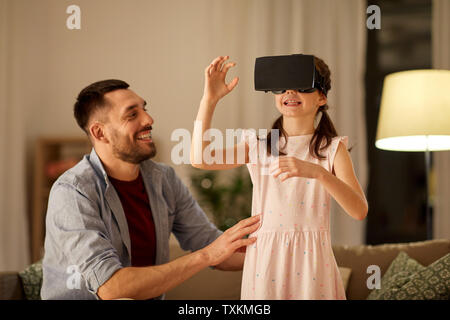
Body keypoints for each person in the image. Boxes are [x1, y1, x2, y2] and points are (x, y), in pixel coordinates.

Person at [41, 79, 260, 300]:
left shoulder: (164, 179)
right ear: (100, 133)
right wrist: (206, 256)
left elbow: (214, 246)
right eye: (132, 115)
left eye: (144, 109)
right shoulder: (72, 192)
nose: (149, 119)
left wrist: (283, 254)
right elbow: (110, 287)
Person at [191, 55, 368, 299]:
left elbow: (359, 210)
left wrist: (317, 172)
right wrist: (209, 100)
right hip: (265, 259)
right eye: (282, 86)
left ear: (322, 97)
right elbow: (200, 158)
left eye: (303, 86)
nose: (290, 92)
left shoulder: (332, 148)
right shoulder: (259, 146)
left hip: (312, 261)